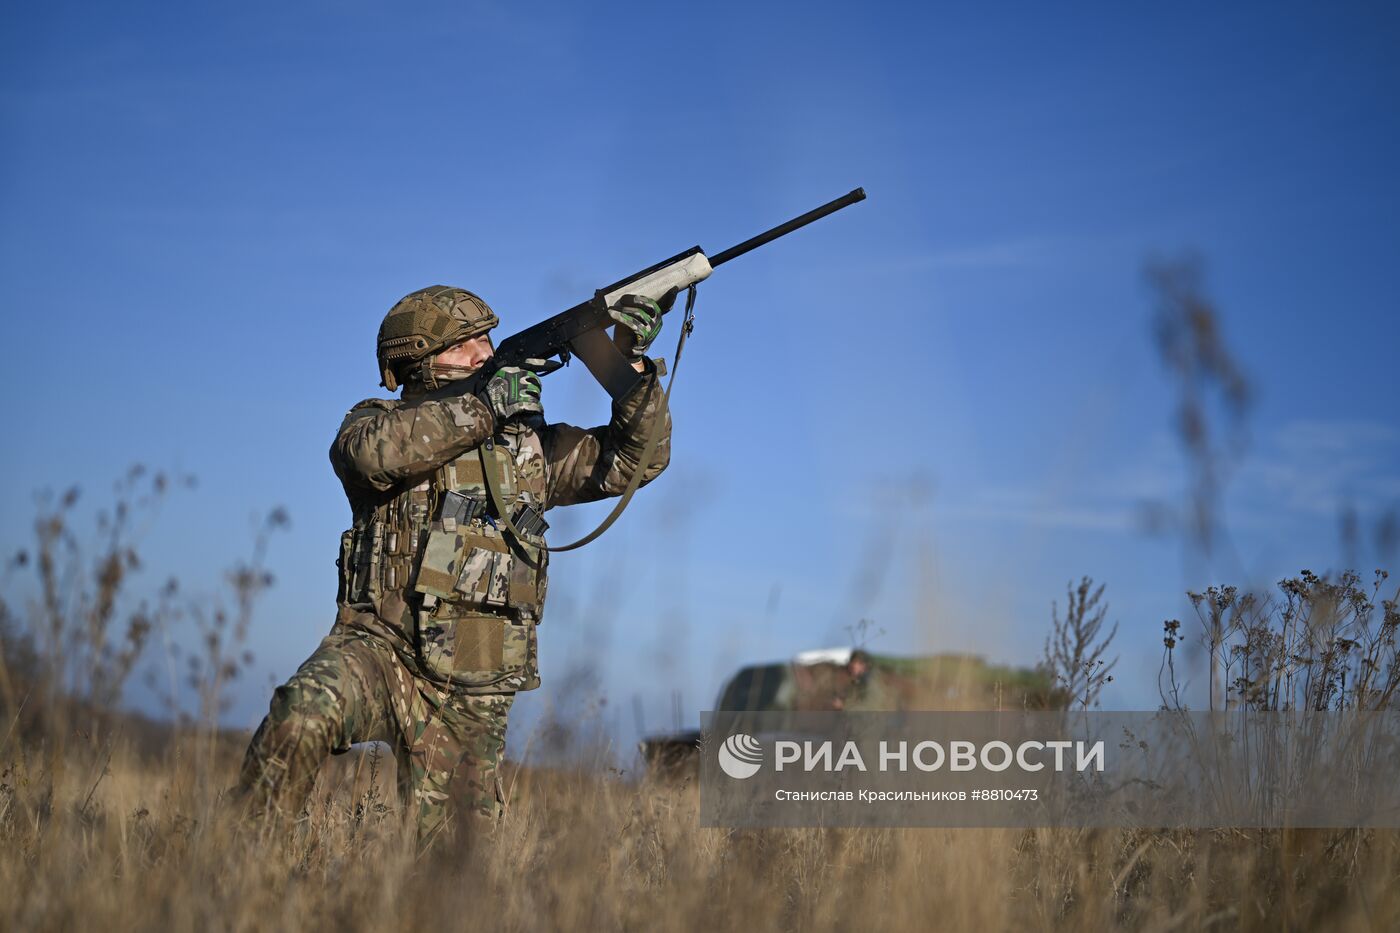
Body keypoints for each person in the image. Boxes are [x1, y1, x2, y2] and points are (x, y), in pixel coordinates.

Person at [236, 284, 671, 842]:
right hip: (379, 649)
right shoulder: (373, 423)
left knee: (448, 868)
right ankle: (245, 867)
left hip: (475, 682)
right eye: (466, 343)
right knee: (299, 713)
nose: (486, 353)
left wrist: (627, 367)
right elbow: (374, 455)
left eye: (489, 339)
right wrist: (485, 406)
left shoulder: (528, 447)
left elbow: (637, 459)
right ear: (416, 358)